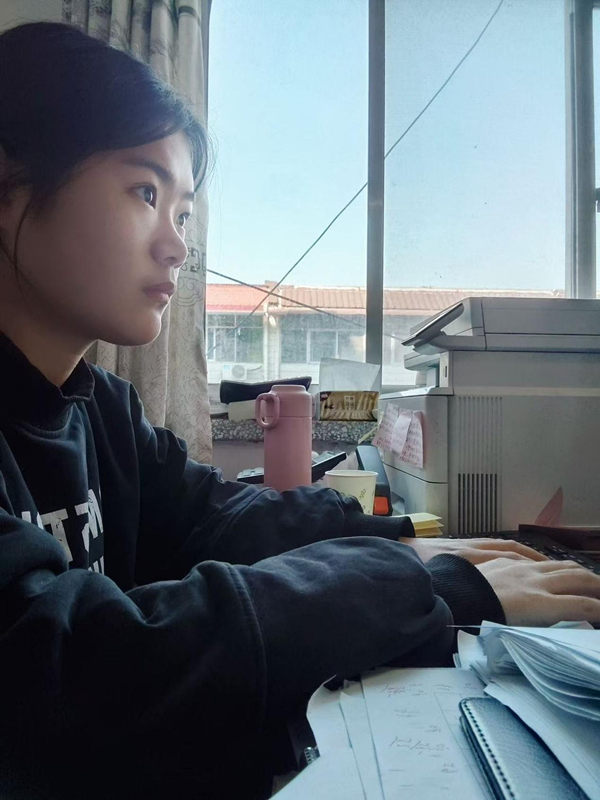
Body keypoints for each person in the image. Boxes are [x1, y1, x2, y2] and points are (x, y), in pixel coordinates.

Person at [0, 21, 599, 800]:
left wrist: (406, 547)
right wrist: (410, 587)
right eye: (146, 192)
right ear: (11, 183)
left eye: (183, 214)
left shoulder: (101, 409)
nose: (177, 247)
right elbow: (80, 665)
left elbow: (218, 518)